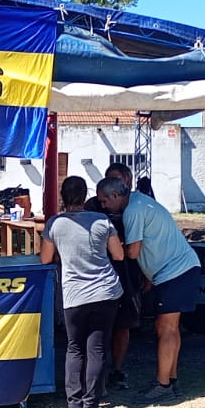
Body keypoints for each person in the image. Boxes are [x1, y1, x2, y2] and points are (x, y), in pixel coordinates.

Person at [94, 175, 200, 404]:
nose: (103, 206)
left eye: (104, 201)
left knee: (165, 326)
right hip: (177, 270)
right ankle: (170, 380)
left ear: (115, 195)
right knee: (169, 327)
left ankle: (163, 386)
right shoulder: (140, 201)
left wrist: (111, 244)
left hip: (176, 271)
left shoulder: (133, 211)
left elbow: (132, 252)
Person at [40, 176, 124, 408]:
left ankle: (74, 403)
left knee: (74, 347)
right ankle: (92, 405)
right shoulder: (101, 220)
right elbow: (118, 255)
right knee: (96, 348)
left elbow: (45, 259)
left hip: (74, 294)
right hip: (105, 291)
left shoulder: (55, 224)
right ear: (86, 195)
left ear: (62, 197)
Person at [84, 162, 143, 389]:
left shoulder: (136, 206)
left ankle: (117, 370)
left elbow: (142, 243)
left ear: (127, 183)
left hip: (127, 273)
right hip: (98, 274)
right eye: (110, 179)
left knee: (123, 325)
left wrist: (146, 276)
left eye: (118, 180)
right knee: (97, 327)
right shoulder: (93, 205)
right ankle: (95, 375)